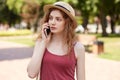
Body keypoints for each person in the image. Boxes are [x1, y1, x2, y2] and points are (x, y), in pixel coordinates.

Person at [27, 1, 85, 80]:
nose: (52, 22)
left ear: (67, 23)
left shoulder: (78, 48)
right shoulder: (41, 42)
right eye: (51, 18)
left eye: (58, 19)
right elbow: (31, 73)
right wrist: (44, 42)